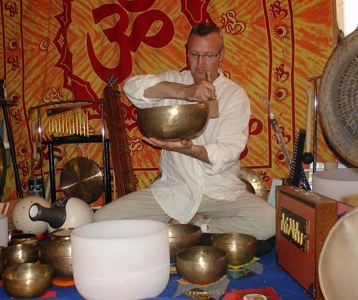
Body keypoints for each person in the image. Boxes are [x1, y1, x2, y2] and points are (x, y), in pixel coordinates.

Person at [94, 23, 276, 241]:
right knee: (100, 221)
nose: (200, 63)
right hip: (173, 190)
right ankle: (176, 228)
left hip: (218, 191)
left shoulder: (234, 94)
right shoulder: (175, 80)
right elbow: (131, 88)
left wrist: (191, 150)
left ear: (221, 55)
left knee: (270, 221)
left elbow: (228, 152)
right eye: (194, 54)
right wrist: (185, 92)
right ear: (186, 52)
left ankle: (198, 227)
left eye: (208, 55)